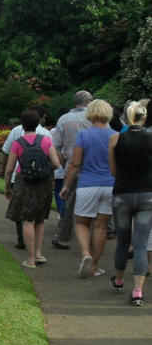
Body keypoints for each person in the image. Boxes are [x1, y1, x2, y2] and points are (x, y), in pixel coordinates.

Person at [59, 99, 115, 278]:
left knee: (82, 222)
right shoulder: (115, 135)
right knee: (101, 227)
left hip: (87, 184)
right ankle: (94, 266)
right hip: (109, 185)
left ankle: (85, 253)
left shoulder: (84, 135)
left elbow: (75, 163)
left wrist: (66, 185)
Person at [4, 109, 62, 269]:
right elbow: (57, 164)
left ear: (22, 125)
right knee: (40, 219)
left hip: (24, 182)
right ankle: (38, 253)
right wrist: (45, 171)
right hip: (43, 183)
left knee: (27, 220)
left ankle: (29, 259)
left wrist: (7, 186)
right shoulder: (45, 141)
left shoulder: (18, 143)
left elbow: (9, 169)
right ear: (39, 123)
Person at [108, 99, 152, 306]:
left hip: (122, 194)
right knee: (141, 244)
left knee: (123, 241)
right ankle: (137, 290)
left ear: (126, 117)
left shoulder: (116, 139)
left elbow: (113, 171)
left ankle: (118, 280)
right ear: (144, 118)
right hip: (147, 195)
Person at [51, 90, 93, 250]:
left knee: (69, 203)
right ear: (88, 101)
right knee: (94, 204)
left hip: (72, 164)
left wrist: (62, 162)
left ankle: (63, 237)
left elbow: (56, 147)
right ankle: (93, 238)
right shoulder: (96, 118)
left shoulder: (64, 119)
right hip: (93, 166)